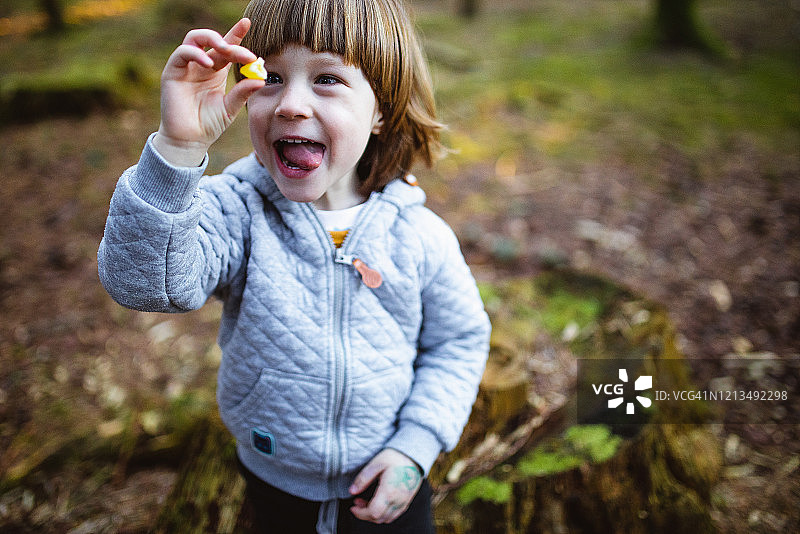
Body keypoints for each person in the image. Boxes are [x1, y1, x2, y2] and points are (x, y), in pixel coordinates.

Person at [97, 0, 490, 532]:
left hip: (389, 483)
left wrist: (416, 446)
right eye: (271, 77)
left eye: (327, 78)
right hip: (274, 482)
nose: (289, 104)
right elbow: (145, 285)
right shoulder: (236, 211)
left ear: (379, 110)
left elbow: (459, 341)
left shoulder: (419, 237)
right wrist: (177, 148)